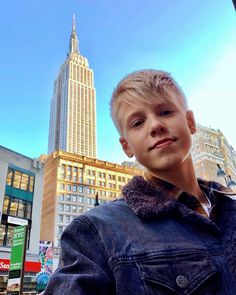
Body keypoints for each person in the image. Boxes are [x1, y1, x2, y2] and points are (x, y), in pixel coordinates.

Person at [43, 69, 236, 294]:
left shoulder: (229, 207)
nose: (155, 126)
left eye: (165, 111)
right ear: (126, 146)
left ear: (190, 122)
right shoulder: (94, 232)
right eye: (137, 123)